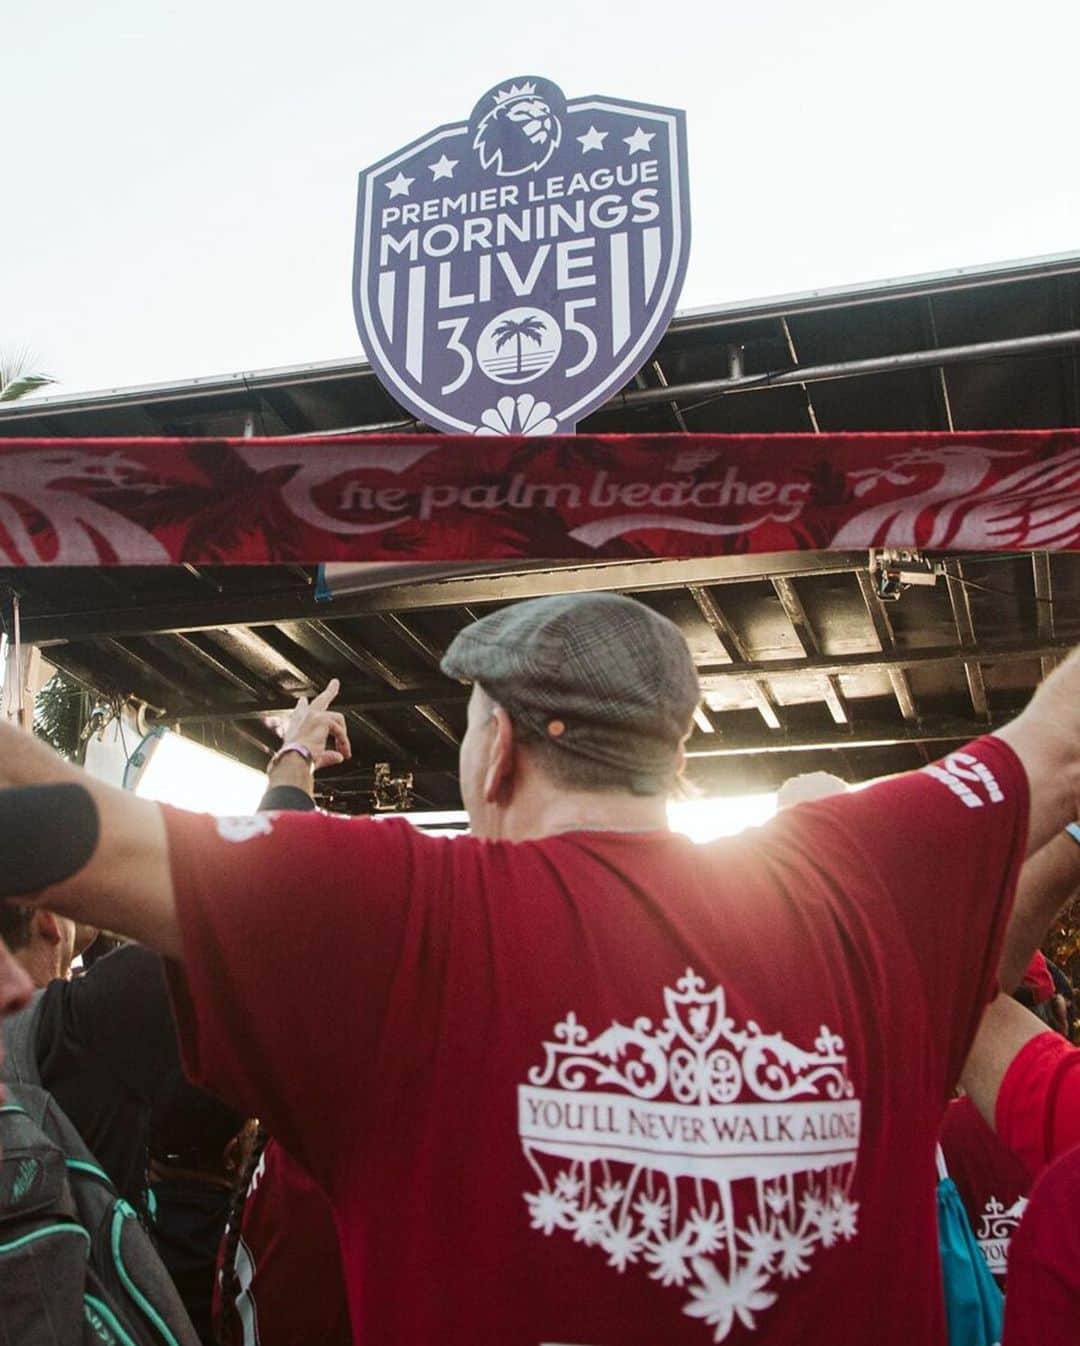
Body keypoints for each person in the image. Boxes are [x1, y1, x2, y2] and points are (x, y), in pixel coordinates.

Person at [0, 592, 1078, 1346]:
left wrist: (286, 765)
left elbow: (61, 825)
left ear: (498, 747)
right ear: (672, 757)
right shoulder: (859, 877)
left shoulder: (395, 913)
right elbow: (1060, 745)